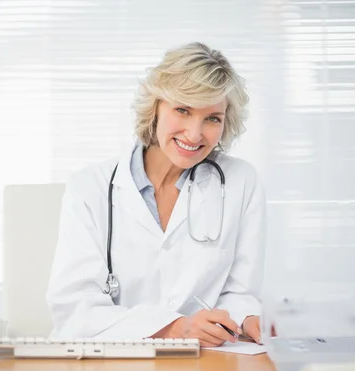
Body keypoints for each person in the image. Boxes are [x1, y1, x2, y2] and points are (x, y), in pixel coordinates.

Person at [45, 42, 266, 347]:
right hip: (103, 366)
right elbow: (74, 308)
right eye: (182, 110)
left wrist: (248, 320)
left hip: (203, 368)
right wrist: (175, 328)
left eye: (212, 118)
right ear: (156, 107)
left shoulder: (241, 182)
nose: (194, 134)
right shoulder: (89, 187)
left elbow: (239, 294)